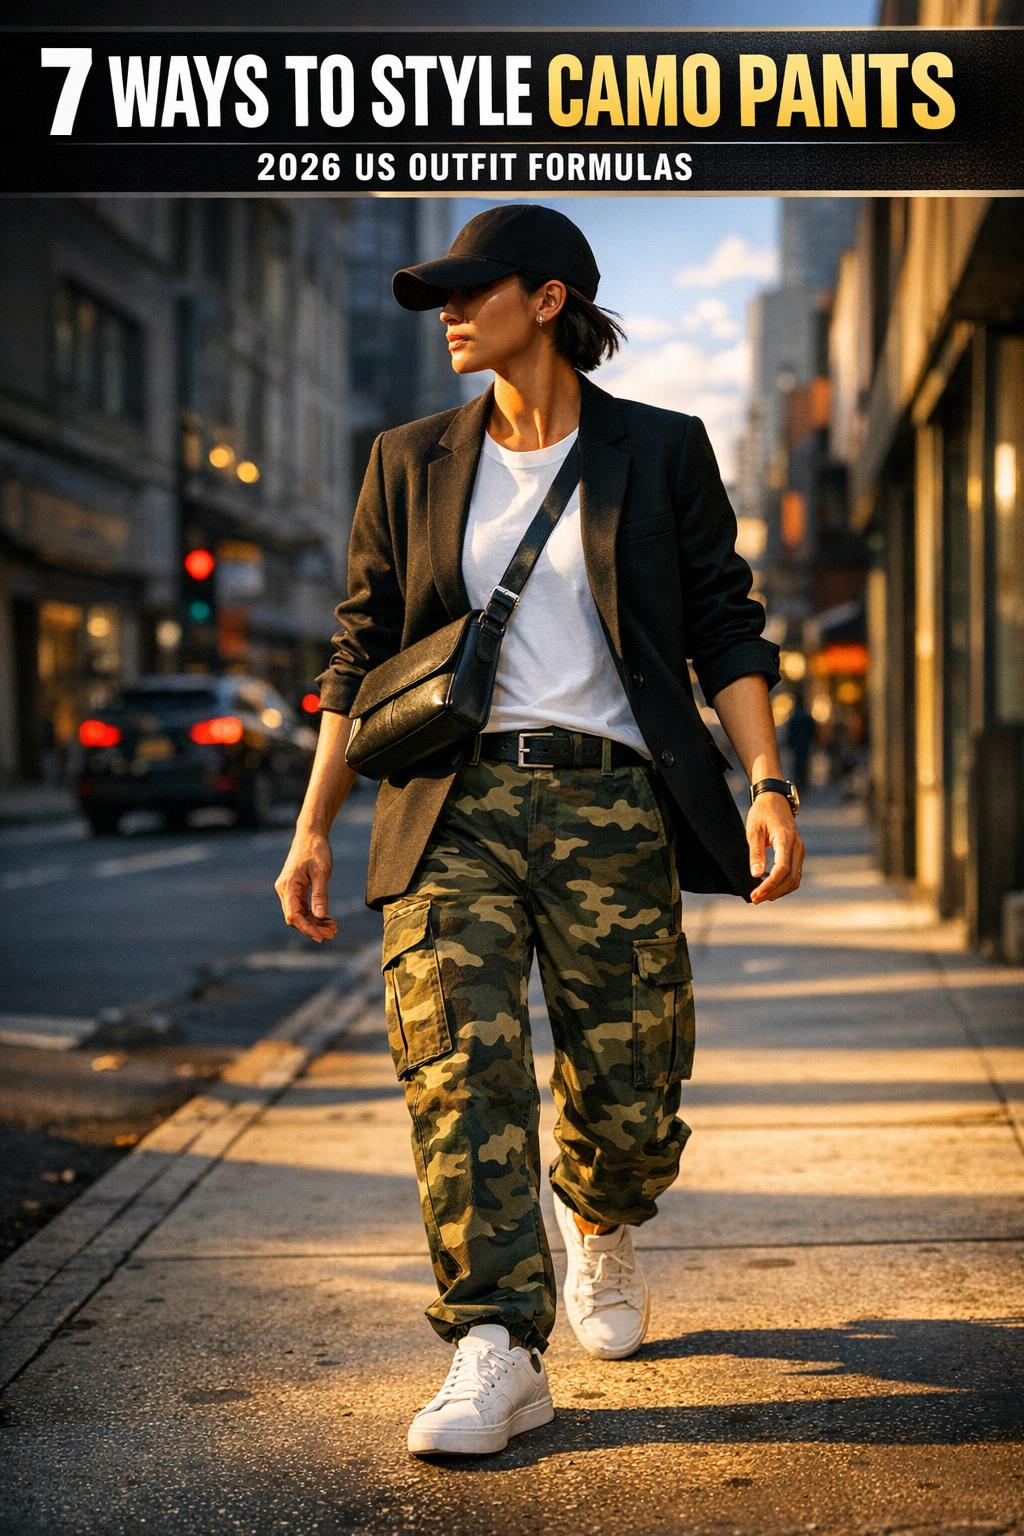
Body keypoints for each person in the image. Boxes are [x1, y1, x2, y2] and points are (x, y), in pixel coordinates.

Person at [275, 203, 805, 1459]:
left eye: (472, 292)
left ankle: (601, 1218)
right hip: (448, 805)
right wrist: (312, 828)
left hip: (612, 802)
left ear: (549, 299)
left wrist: (768, 782)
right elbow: (359, 651)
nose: (450, 316)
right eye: (440, 299)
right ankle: (496, 1344)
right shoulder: (407, 459)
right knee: (456, 1071)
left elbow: (724, 626)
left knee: (628, 1093)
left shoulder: (660, 449)